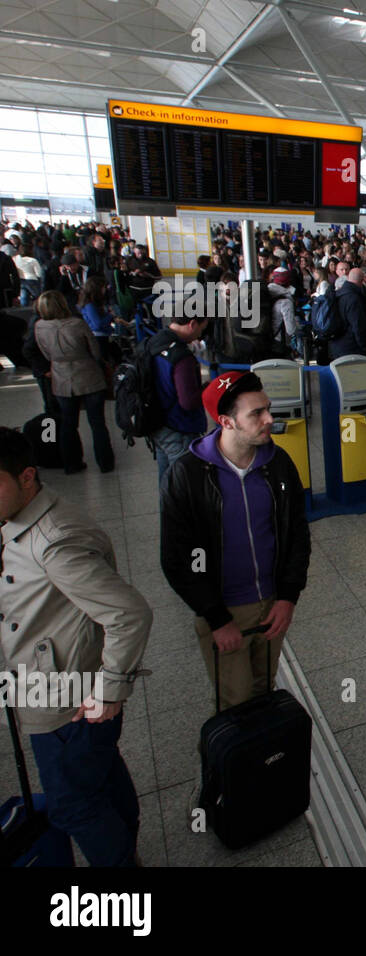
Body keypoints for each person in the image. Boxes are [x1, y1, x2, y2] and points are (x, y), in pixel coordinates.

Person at [0, 426, 152, 871]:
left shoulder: (54, 542)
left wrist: (110, 691)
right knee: (98, 775)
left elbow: (129, 614)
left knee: (72, 806)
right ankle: (128, 845)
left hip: (65, 700)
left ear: (27, 477)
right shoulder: (19, 521)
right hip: (54, 687)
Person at [160, 372, 310, 714]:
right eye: (256, 413)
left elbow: (297, 534)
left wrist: (287, 596)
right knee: (236, 703)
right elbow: (177, 558)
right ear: (226, 421)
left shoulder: (278, 464)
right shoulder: (187, 476)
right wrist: (215, 617)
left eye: (267, 408)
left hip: (272, 603)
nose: (269, 419)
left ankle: (269, 763)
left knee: (264, 690)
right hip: (226, 610)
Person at [32, 290, 115, 475]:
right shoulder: (77, 324)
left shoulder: (39, 326)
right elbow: (95, 351)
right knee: (97, 423)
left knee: (68, 424)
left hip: (61, 378)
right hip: (88, 374)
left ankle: (71, 463)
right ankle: (105, 463)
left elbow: (45, 353)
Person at [145, 311, 210, 489]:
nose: (200, 335)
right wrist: (206, 389)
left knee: (166, 482)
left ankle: (166, 515)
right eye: (201, 329)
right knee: (183, 486)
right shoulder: (182, 357)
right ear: (192, 324)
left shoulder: (155, 341)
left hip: (157, 423)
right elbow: (188, 402)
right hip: (178, 427)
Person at [331, 267, 366, 360]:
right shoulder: (354, 298)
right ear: (361, 281)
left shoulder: (339, 293)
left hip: (337, 345)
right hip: (352, 349)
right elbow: (359, 326)